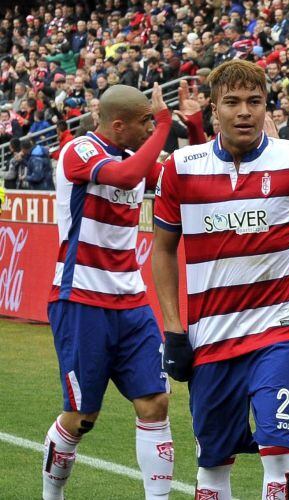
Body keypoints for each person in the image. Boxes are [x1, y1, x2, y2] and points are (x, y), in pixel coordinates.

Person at [152, 60, 289, 500]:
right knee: (213, 465)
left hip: (276, 333)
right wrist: (174, 331)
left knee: (279, 451)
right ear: (213, 110)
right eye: (232, 102)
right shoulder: (181, 166)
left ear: (265, 106)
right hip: (208, 339)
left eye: (254, 102)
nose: (244, 112)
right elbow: (163, 250)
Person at [43, 83, 174, 500]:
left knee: (155, 402)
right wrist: (166, 126)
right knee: (83, 415)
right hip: (81, 298)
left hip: (132, 301)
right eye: (145, 123)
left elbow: (179, 177)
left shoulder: (133, 156)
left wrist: (200, 128)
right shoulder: (79, 151)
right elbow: (125, 175)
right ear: (118, 125)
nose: (150, 128)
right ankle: (52, 495)